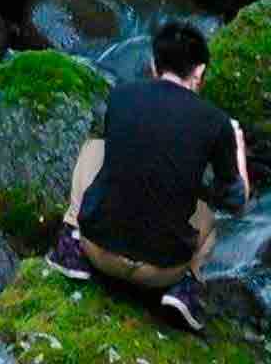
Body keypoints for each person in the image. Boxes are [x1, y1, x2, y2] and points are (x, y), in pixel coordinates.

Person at [47, 20, 248, 333]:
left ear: (154, 64)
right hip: (161, 271)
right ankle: (186, 288)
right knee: (209, 217)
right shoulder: (216, 122)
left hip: (97, 250)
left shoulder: (121, 96)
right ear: (199, 71)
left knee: (93, 149)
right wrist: (237, 148)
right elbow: (235, 202)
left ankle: (71, 244)